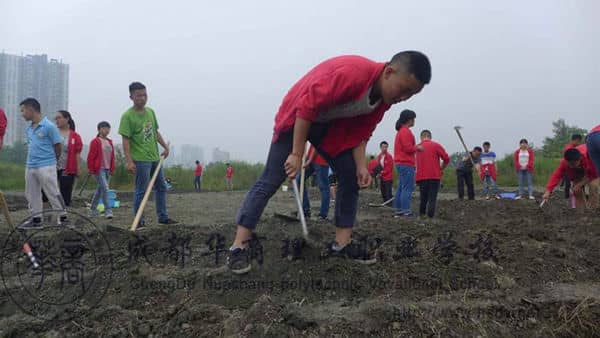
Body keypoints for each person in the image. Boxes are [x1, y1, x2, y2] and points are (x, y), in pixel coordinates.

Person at [228, 51, 432, 274]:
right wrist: (297, 154)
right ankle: (238, 247)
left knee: (349, 176)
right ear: (389, 72)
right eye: (403, 89)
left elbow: (361, 133)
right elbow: (306, 107)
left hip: (329, 128)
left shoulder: (383, 101)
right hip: (297, 116)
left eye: (411, 94)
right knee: (272, 177)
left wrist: (361, 166)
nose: (403, 97)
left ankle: (341, 245)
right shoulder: (352, 74)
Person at [118, 82, 177, 228]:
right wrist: (129, 161)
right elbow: (125, 141)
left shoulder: (150, 112)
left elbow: (155, 132)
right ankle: (140, 221)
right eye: (139, 95)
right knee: (141, 190)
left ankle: (163, 217)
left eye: (145, 95)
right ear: (131, 97)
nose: (142, 98)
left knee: (161, 187)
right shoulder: (127, 116)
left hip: (154, 157)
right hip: (140, 160)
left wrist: (165, 147)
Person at [19, 98, 67, 228]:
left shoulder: (49, 126)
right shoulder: (29, 128)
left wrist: (53, 160)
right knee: (31, 193)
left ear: (31, 109)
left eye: (23, 110)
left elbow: (58, 145)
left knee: (52, 191)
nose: (22, 114)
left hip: (46, 165)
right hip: (30, 165)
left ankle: (63, 217)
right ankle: (36, 219)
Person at [42, 110, 83, 207]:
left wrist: (78, 168)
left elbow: (77, 153)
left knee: (66, 192)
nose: (57, 120)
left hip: (67, 168)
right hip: (51, 166)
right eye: (55, 118)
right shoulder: (51, 132)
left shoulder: (75, 136)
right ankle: (45, 213)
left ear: (67, 119)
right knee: (46, 190)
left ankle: (63, 215)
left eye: (59, 118)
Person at [393, 109, 423, 217]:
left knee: (401, 187)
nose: (414, 121)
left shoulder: (401, 131)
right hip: (406, 163)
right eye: (413, 119)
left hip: (400, 163)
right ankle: (406, 212)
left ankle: (398, 210)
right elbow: (407, 148)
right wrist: (417, 147)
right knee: (407, 188)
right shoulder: (406, 131)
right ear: (409, 120)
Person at [416, 130, 449, 217]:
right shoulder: (435, 145)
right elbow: (446, 158)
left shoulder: (417, 147)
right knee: (432, 198)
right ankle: (430, 216)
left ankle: (422, 215)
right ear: (430, 136)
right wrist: (442, 168)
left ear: (421, 137)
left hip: (421, 177)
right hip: (434, 176)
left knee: (423, 198)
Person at [87, 121, 115, 219]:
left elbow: (112, 156)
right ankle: (108, 211)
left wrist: (112, 168)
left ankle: (92, 210)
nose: (106, 130)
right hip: (99, 169)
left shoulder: (110, 142)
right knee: (105, 189)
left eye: (108, 128)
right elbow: (91, 156)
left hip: (107, 169)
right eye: (104, 128)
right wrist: (90, 169)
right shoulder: (95, 141)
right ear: (99, 129)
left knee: (100, 190)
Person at [296, 144, 331, 220]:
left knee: (324, 187)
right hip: (310, 157)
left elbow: (317, 144)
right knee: (298, 180)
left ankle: (323, 214)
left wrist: (310, 159)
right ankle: (305, 211)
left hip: (321, 159)